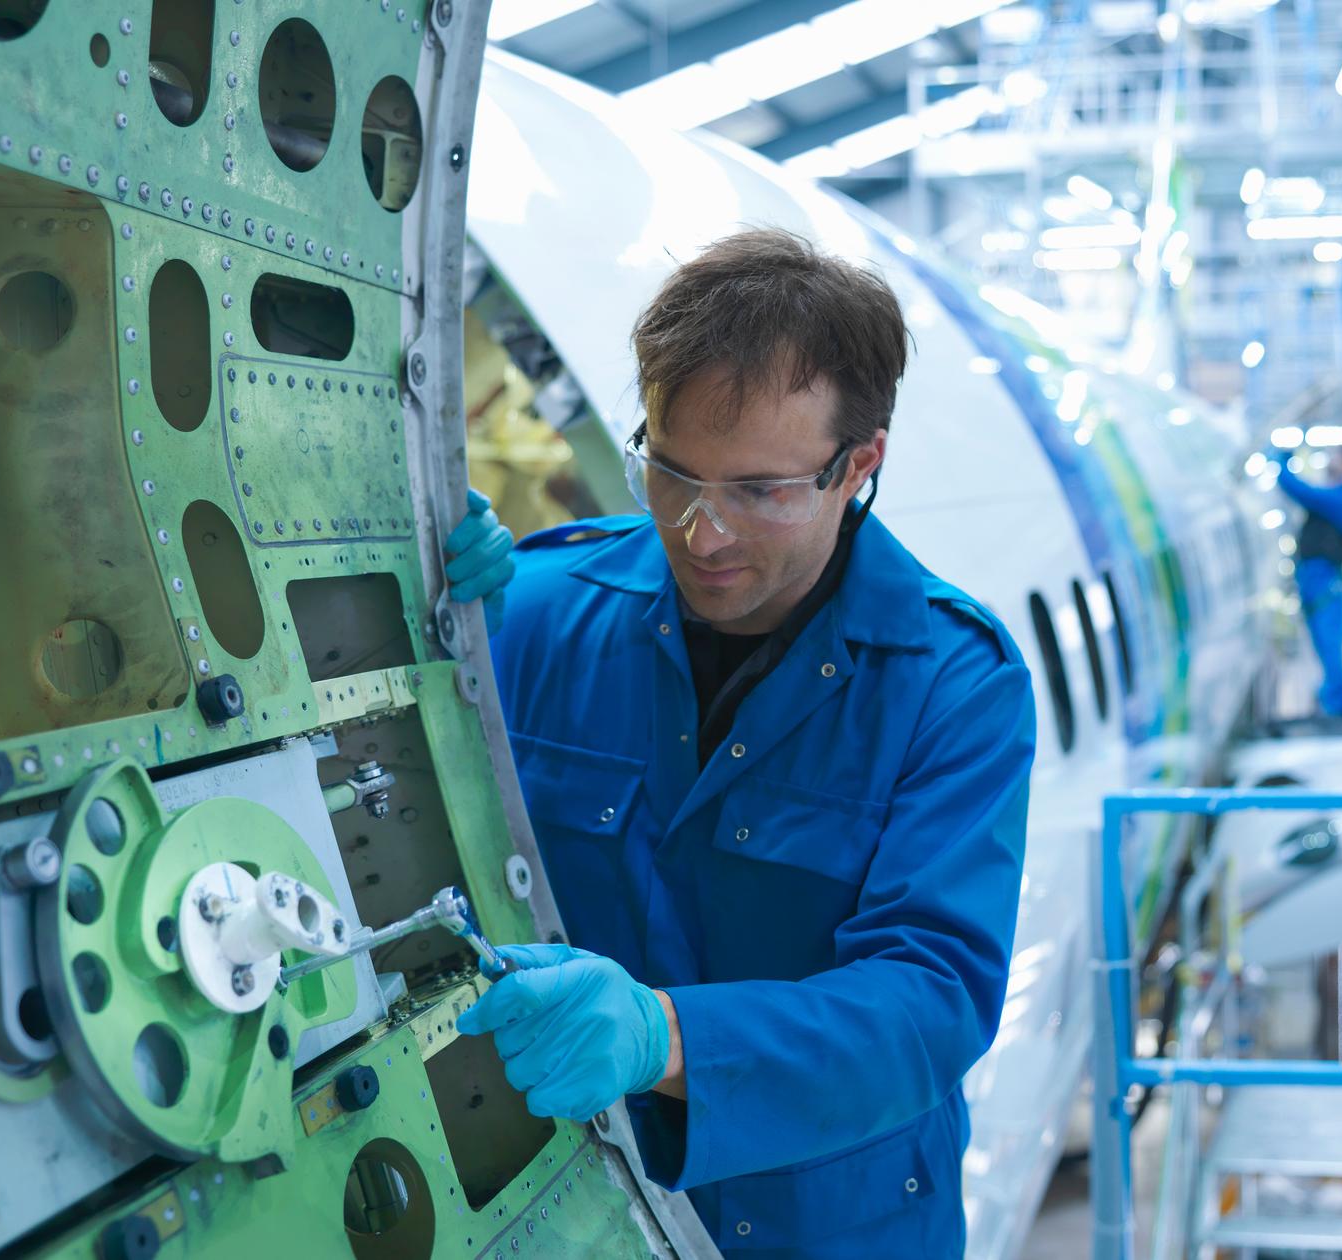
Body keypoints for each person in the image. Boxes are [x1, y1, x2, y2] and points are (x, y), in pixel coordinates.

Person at [438, 228, 1036, 1257]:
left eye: (758, 492)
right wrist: (426, 612)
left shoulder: (950, 684)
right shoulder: (539, 611)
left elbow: (928, 1000)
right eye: (670, 473)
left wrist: (664, 1040)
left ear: (858, 466)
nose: (699, 532)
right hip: (581, 1211)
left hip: (834, 1228)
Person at [1273, 445, 1342, 718]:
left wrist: (1281, 459)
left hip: (1325, 583)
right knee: (1323, 646)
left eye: (1335, 455)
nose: (1330, 459)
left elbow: (1297, 489)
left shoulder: (1339, 500)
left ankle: (1340, 703)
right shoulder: (1335, 498)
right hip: (1315, 581)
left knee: (1329, 644)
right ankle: (1335, 699)